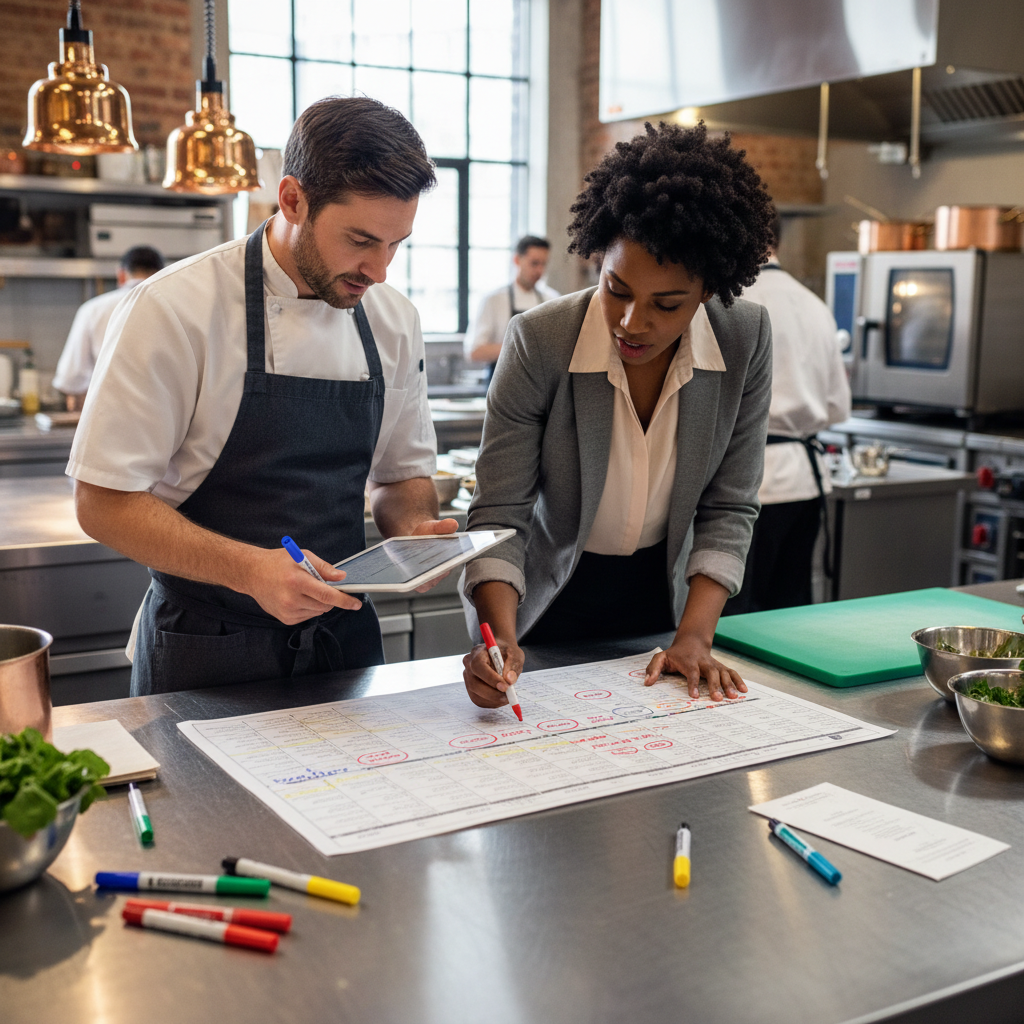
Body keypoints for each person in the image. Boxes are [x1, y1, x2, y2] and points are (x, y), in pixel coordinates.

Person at [68, 97, 458, 696]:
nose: (378, 270)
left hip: (345, 647)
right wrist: (249, 570)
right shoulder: (175, 308)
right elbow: (102, 502)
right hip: (205, 650)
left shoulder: (394, 320)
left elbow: (400, 476)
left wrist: (413, 531)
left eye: (395, 244)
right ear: (293, 199)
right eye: (360, 240)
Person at [460, 121, 775, 711]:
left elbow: (729, 504)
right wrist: (498, 637)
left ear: (708, 289)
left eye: (667, 303)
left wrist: (695, 636)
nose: (633, 322)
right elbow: (500, 512)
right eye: (617, 289)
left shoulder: (744, 337)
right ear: (597, 256)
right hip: (548, 595)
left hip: (670, 599)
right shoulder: (540, 339)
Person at [723, 214, 851, 614]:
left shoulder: (731, 299)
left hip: (749, 482)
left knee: (739, 612)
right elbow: (837, 406)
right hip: (805, 480)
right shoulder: (815, 305)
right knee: (790, 609)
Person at [52, 245, 165, 409]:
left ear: (121, 275)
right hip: (165, 416)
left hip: (109, 414)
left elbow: (72, 377)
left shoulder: (93, 310)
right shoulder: (180, 309)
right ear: (164, 274)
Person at [463, 235, 559, 379]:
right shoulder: (494, 300)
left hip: (541, 386)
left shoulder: (552, 299)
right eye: (534, 263)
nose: (539, 271)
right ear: (517, 260)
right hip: (502, 384)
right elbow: (474, 352)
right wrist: (523, 349)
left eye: (543, 264)